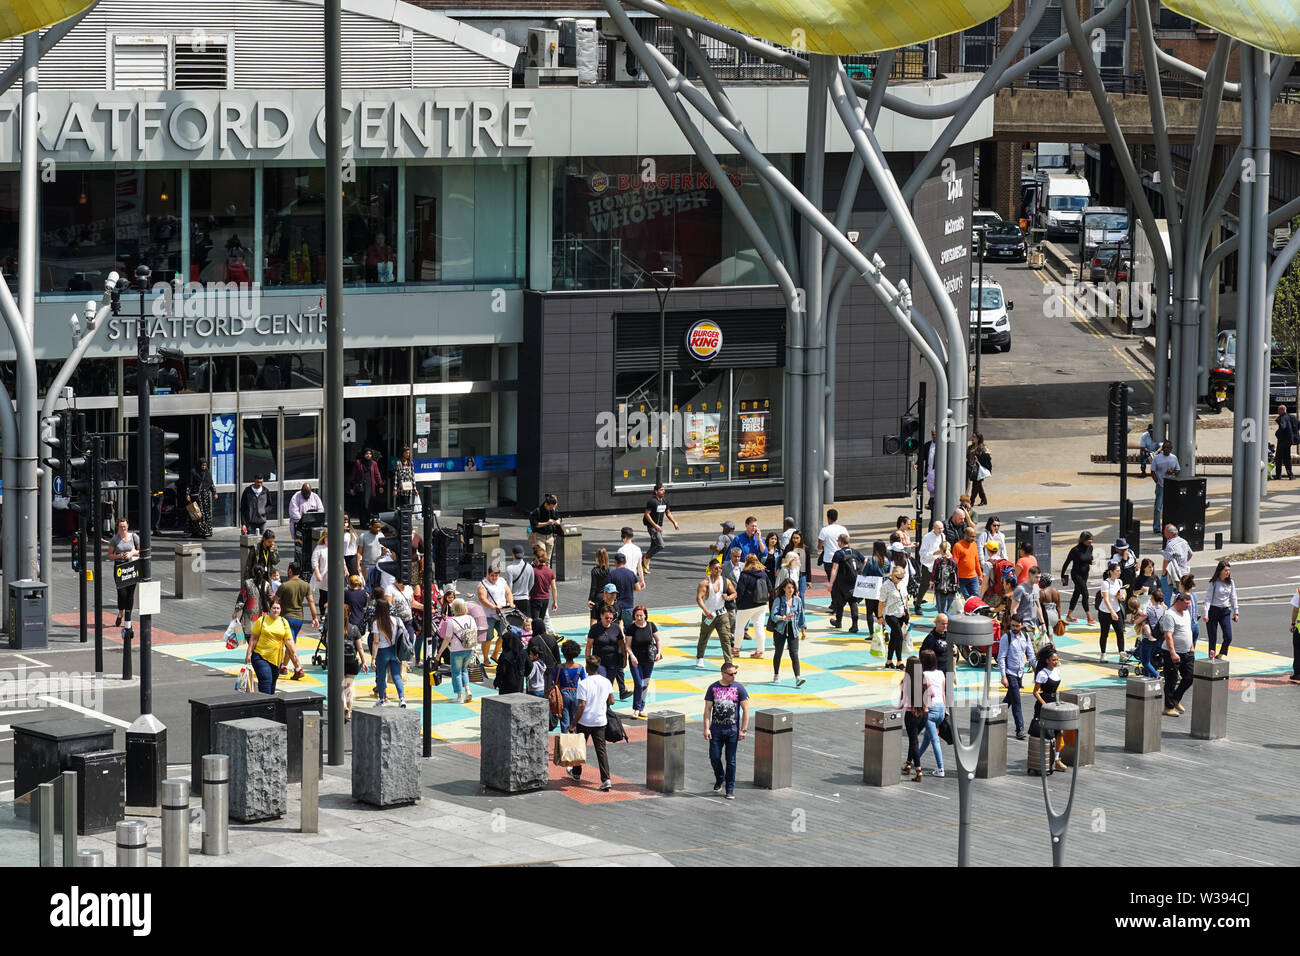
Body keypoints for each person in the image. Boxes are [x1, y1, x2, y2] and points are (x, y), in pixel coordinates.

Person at [703, 661, 750, 799]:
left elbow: (746, 709)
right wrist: (706, 728)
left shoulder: (739, 688)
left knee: (731, 760)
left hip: (732, 731)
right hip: (716, 731)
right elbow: (707, 710)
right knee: (714, 757)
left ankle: (730, 788)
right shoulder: (713, 688)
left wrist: (744, 730)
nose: (734, 676)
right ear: (723, 674)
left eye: (735, 673)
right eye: (731, 674)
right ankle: (720, 778)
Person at [568, 658, 614, 792]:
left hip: (585, 721)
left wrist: (573, 724)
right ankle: (606, 779)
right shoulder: (606, 682)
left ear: (588, 668)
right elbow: (611, 701)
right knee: (601, 750)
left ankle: (576, 773)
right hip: (600, 720)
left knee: (579, 748)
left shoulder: (583, 684)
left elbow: (581, 705)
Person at [245, 598, 294, 695]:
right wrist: (248, 653)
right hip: (260, 656)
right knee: (266, 680)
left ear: (281, 610)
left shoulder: (284, 622)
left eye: (278, 608)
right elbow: (254, 638)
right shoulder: (262, 620)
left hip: (276, 659)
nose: (275, 610)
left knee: (272, 684)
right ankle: (265, 705)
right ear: (269, 609)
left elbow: (288, 640)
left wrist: (294, 654)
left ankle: (270, 705)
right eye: (273, 608)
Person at [274, 562, 315, 679]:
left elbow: (276, 602)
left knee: (290, 645)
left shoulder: (284, 586)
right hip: (299, 619)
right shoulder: (305, 585)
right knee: (290, 643)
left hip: (286, 618)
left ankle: (298, 668)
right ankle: (284, 667)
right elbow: (311, 602)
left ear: (290, 571)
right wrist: (315, 617)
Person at [997, 614, 1036, 739]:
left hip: (1020, 673)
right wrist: (1003, 676)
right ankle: (1020, 729)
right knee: (1016, 701)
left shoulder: (1025, 636)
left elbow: (1030, 654)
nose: (1014, 628)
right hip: (1010, 673)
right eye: (1012, 625)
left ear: (1022, 625)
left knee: (1009, 699)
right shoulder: (1006, 637)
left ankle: (996, 717)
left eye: (1017, 626)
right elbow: (1001, 657)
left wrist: (1038, 668)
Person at [1032, 644, 1068, 772]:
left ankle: (1057, 759)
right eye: (1053, 660)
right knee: (1047, 733)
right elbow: (1035, 692)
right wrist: (1044, 704)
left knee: (1060, 732)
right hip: (1045, 704)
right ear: (1047, 660)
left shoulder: (1057, 671)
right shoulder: (1042, 673)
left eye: (1057, 659)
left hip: (1054, 702)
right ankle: (1046, 758)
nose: (1056, 662)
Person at [435, 599, 479, 704]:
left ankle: (459, 696)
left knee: (456, 673)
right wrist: (475, 648)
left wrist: (439, 653)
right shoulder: (470, 618)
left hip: (456, 650)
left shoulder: (451, 621)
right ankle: (468, 690)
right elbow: (474, 633)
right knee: (464, 670)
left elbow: (447, 639)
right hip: (470, 649)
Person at [1160, 591, 1196, 717]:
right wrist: (1173, 653)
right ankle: (1168, 707)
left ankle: (1176, 699)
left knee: (1189, 677)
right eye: (1186, 603)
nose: (1188, 606)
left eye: (1189, 603)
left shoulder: (1186, 613)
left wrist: (1191, 646)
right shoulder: (1170, 615)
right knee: (1171, 680)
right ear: (1178, 602)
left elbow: (1188, 630)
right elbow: (1168, 636)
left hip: (1187, 651)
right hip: (1173, 653)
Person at [696, 561, 737, 668]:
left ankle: (729, 661)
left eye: (720, 568)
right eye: (716, 568)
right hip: (709, 614)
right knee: (704, 637)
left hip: (722, 614)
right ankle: (700, 657)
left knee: (726, 639)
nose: (719, 570)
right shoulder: (705, 583)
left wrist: (728, 598)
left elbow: (734, 593)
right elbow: (699, 598)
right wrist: (706, 611)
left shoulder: (725, 581)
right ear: (710, 569)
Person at [585, 603, 628, 700]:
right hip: (599, 662)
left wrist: (625, 658)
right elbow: (588, 646)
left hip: (613, 662)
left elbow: (621, 644)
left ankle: (606, 707)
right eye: (606, 618)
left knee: (609, 684)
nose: (609, 620)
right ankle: (601, 705)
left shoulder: (616, 628)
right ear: (601, 616)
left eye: (611, 618)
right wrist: (588, 662)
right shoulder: (595, 629)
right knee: (602, 684)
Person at [915, 648, 946, 777]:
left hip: (931, 709)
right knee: (927, 739)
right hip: (941, 709)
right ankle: (913, 761)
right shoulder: (940, 673)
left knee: (934, 740)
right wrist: (946, 709)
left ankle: (940, 768)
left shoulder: (924, 675)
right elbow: (943, 692)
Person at [370, 595, 406, 707]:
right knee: (396, 675)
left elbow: (376, 642)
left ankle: (382, 699)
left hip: (382, 651)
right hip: (395, 650)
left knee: (381, 676)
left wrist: (373, 658)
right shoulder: (396, 620)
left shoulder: (377, 623)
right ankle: (402, 699)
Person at [476, 565, 515, 666]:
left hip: (502, 614)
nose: (494, 578)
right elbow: (482, 599)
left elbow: (508, 593)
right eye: (492, 575)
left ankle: (495, 654)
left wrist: (510, 602)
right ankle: (485, 659)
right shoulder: (483, 584)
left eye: (496, 575)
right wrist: (494, 607)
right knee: (488, 638)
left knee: (504, 635)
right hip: (488, 615)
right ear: (488, 575)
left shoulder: (502, 581)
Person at [626, 605, 660, 717]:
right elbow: (628, 646)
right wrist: (632, 656)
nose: (639, 618)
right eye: (637, 615)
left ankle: (642, 707)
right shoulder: (631, 628)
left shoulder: (651, 626)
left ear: (645, 615)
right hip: (635, 660)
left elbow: (658, 640)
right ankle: (636, 707)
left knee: (645, 683)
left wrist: (659, 652)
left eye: (641, 615)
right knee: (639, 683)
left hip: (649, 660)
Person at [107, 517, 140, 629]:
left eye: (125, 526)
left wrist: (131, 554)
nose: (123, 528)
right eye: (121, 527)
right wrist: (119, 555)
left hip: (131, 566)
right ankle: (120, 613)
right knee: (122, 593)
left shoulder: (134, 537)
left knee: (131, 593)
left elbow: (141, 551)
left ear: (128, 526)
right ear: (118, 527)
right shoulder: (115, 539)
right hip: (120, 567)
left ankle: (128, 616)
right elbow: (110, 555)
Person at [827, 533, 865, 632]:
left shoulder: (838, 554)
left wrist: (831, 583)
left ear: (840, 542)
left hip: (842, 582)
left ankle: (838, 622)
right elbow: (865, 560)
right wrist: (860, 572)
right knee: (853, 602)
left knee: (840, 602)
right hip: (854, 581)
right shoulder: (855, 552)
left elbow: (834, 569)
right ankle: (854, 625)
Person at [734, 554, 770, 656]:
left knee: (740, 627)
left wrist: (738, 603)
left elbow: (740, 591)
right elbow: (769, 587)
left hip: (745, 605)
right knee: (759, 627)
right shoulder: (763, 574)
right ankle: (760, 650)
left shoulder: (744, 574)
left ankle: (736, 649)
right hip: (761, 604)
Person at [770, 578, 804, 686]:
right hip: (780, 629)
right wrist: (784, 617)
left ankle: (798, 678)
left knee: (794, 654)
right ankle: (776, 674)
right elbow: (773, 616)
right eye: (789, 587)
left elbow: (802, 616)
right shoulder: (779, 600)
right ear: (784, 588)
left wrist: (803, 630)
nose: (791, 589)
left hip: (793, 629)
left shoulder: (797, 600)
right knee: (778, 652)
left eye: (793, 587)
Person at [1203, 560, 1239, 659]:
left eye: (1229, 570)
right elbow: (1208, 598)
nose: (1228, 572)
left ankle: (1221, 655)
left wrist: (1236, 612)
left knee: (1228, 636)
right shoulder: (1214, 583)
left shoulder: (1231, 582)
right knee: (1212, 638)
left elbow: (1233, 597)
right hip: (1213, 611)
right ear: (1220, 571)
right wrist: (1206, 613)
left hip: (1225, 611)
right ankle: (1211, 658)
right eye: (1226, 570)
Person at [641, 482, 679, 575]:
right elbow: (647, 514)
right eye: (661, 490)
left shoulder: (665, 501)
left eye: (663, 489)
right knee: (661, 545)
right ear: (656, 491)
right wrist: (654, 526)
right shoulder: (652, 502)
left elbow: (668, 513)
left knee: (653, 546)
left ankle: (644, 564)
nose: (663, 491)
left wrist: (674, 522)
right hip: (652, 527)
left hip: (660, 527)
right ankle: (645, 558)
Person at [899, 656, 926, 781]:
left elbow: (902, 702)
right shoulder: (924, 678)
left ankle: (918, 771)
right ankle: (908, 764)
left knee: (914, 741)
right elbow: (932, 695)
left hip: (911, 714)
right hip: (924, 714)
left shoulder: (906, 681)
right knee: (913, 739)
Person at [879, 565, 909, 670]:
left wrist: (907, 614)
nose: (900, 580)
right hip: (890, 614)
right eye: (898, 578)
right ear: (893, 575)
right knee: (899, 636)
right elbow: (881, 602)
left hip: (901, 614)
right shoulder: (886, 586)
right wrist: (879, 617)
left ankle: (889, 661)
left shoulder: (903, 584)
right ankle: (899, 661)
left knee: (894, 637)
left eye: (902, 578)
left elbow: (905, 599)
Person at [1062, 531, 1096, 624]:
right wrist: (1062, 575)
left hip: (1085, 574)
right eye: (1089, 540)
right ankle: (1089, 618)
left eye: (1092, 539)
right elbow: (1067, 562)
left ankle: (1069, 615)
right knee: (1085, 594)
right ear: (1083, 540)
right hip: (1076, 574)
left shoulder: (1090, 548)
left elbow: (1089, 557)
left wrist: (1091, 561)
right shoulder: (1075, 550)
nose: (1091, 541)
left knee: (1076, 593)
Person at [781, 531, 810, 636]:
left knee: (801, 596)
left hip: (801, 575)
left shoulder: (805, 549)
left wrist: (809, 580)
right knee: (790, 596)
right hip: (790, 575)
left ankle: (801, 616)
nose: (795, 540)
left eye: (797, 538)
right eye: (793, 538)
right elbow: (783, 560)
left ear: (801, 538)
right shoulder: (788, 548)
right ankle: (790, 615)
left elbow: (808, 564)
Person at [1097, 558, 1126, 662]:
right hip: (1105, 612)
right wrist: (1112, 612)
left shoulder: (1119, 581)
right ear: (1111, 572)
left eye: (1120, 570)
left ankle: (1122, 653)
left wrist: (1122, 597)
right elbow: (1106, 599)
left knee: (1120, 632)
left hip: (1116, 610)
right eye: (1117, 571)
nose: (1119, 572)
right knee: (1104, 633)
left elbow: (1121, 595)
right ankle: (1103, 654)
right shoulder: (1106, 583)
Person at [1150, 440, 1180, 535]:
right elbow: (1152, 471)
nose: (1166, 449)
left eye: (1168, 448)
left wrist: (1173, 472)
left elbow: (1178, 470)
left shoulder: (1174, 458)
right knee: (1158, 507)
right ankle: (1156, 527)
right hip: (1161, 485)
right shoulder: (1157, 458)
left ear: (1171, 449)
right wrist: (1157, 482)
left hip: (1170, 485)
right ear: (1162, 448)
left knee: (1170, 507)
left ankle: (1169, 526)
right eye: (1165, 447)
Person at [553, 640, 584, 731]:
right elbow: (584, 682)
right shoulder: (580, 668)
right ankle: (575, 740)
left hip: (563, 695)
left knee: (564, 720)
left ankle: (565, 740)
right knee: (575, 718)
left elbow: (554, 681)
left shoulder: (559, 667)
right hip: (576, 693)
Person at [1128, 597, 1161, 680]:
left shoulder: (1138, 611)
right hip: (1141, 628)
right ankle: (1148, 675)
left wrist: (1145, 609)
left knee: (1145, 661)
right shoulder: (1134, 611)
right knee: (1147, 659)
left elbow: (1143, 615)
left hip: (1143, 626)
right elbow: (1132, 619)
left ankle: (1156, 675)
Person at [341, 624, 369, 722]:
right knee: (349, 686)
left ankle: (344, 706)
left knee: (339, 687)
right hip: (351, 661)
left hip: (338, 662)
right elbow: (360, 647)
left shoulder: (334, 626)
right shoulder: (354, 628)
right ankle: (348, 713)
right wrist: (364, 662)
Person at [349, 448, 384, 522]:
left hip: (370, 486)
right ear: (363, 454)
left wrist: (380, 485)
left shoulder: (374, 463)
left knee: (369, 505)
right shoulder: (358, 463)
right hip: (361, 487)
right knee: (363, 505)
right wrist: (351, 487)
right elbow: (353, 475)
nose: (368, 455)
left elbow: (377, 475)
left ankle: (367, 521)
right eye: (367, 454)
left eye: (370, 454)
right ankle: (363, 521)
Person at [917, 520, 944, 615]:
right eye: (939, 528)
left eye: (942, 528)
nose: (941, 530)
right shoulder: (927, 537)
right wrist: (934, 553)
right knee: (924, 585)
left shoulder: (942, 536)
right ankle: (918, 604)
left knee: (939, 585)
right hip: (928, 564)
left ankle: (940, 605)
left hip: (939, 563)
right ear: (934, 528)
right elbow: (922, 553)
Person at [529, 544, 558, 633]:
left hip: (535, 598)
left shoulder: (533, 571)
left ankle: (536, 639)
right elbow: (554, 588)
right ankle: (542, 636)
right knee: (541, 620)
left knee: (535, 621)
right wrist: (555, 601)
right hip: (546, 598)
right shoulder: (550, 571)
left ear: (537, 558)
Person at [1161, 523, 1192, 600]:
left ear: (1169, 534)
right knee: (1182, 595)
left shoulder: (1170, 545)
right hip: (1183, 573)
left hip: (1171, 574)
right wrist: (1183, 562)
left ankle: (1166, 610)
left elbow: (1166, 561)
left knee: (1165, 596)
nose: (1163, 533)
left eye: (1164, 531)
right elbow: (1190, 554)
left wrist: (1163, 574)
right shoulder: (1184, 541)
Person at [185, 457, 216, 538]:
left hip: (205, 497)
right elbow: (189, 485)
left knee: (206, 514)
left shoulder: (207, 473)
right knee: (197, 514)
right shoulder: (193, 472)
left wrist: (214, 492)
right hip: (196, 496)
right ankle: (197, 531)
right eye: (202, 465)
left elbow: (211, 484)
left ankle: (205, 530)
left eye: (205, 465)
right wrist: (187, 494)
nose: (204, 467)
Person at [528, 494, 562, 561]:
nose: (551, 509)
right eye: (550, 507)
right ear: (546, 504)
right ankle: (539, 571)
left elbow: (558, 518)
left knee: (548, 559)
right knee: (541, 558)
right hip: (539, 536)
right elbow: (535, 524)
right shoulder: (537, 511)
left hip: (550, 537)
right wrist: (547, 523)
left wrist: (558, 521)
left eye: (553, 507)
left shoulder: (552, 510)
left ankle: (547, 571)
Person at [817, 508, 848, 581]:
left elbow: (819, 546)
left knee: (831, 580)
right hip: (842, 558)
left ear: (828, 518)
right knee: (841, 580)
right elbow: (847, 544)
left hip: (829, 559)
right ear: (837, 518)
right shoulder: (843, 529)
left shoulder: (824, 530)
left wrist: (824, 547)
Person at [953, 524, 983, 599]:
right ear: (966, 535)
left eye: (974, 536)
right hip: (961, 578)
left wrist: (980, 575)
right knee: (967, 597)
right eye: (972, 536)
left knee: (975, 596)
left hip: (973, 577)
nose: (974, 538)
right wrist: (955, 579)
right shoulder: (958, 546)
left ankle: (975, 611)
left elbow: (976, 561)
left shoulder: (974, 545)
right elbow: (954, 564)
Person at [1011, 565, 1042, 636]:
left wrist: (1042, 623)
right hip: (1024, 626)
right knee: (1032, 646)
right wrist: (1017, 626)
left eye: (1040, 577)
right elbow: (1013, 610)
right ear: (1030, 575)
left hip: (1033, 624)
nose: (1039, 579)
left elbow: (1038, 606)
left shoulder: (1036, 587)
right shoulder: (1020, 589)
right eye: (1036, 577)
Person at [358, 517, 392, 584]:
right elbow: (359, 552)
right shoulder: (363, 536)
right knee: (367, 586)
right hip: (367, 566)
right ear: (371, 526)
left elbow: (383, 550)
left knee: (377, 585)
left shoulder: (381, 535)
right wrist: (358, 565)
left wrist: (384, 551)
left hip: (378, 566)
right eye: (376, 527)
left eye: (379, 527)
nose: (378, 529)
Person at [931, 540, 959, 616]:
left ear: (940, 550)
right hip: (951, 588)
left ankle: (942, 625)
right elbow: (956, 574)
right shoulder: (953, 561)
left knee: (941, 611)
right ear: (949, 549)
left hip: (940, 588)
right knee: (949, 610)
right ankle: (950, 625)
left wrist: (931, 583)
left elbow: (934, 574)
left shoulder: (938, 561)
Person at [1276, 405, 1300, 479]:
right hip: (1289, 441)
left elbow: (1283, 427)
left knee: (1279, 458)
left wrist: (1277, 433)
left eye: (1279, 410)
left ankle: (1278, 475)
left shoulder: (1283, 418)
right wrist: (1293, 434)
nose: (1277, 412)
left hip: (1282, 441)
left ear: (1282, 410)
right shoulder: (1292, 417)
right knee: (1287, 458)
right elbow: (1298, 424)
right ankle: (1290, 475)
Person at [587, 548, 611, 623]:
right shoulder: (609, 570)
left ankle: (592, 634)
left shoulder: (594, 571)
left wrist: (590, 599)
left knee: (594, 617)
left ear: (597, 558)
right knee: (605, 617)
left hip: (597, 597)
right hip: (607, 596)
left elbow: (593, 587)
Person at [968, 432, 991, 505]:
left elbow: (988, 457)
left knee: (976, 485)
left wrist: (979, 458)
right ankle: (983, 499)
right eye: (972, 437)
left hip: (979, 469)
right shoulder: (971, 447)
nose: (972, 438)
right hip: (971, 468)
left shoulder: (982, 447)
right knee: (978, 485)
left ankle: (971, 501)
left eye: (974, 437)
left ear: (978, 438)